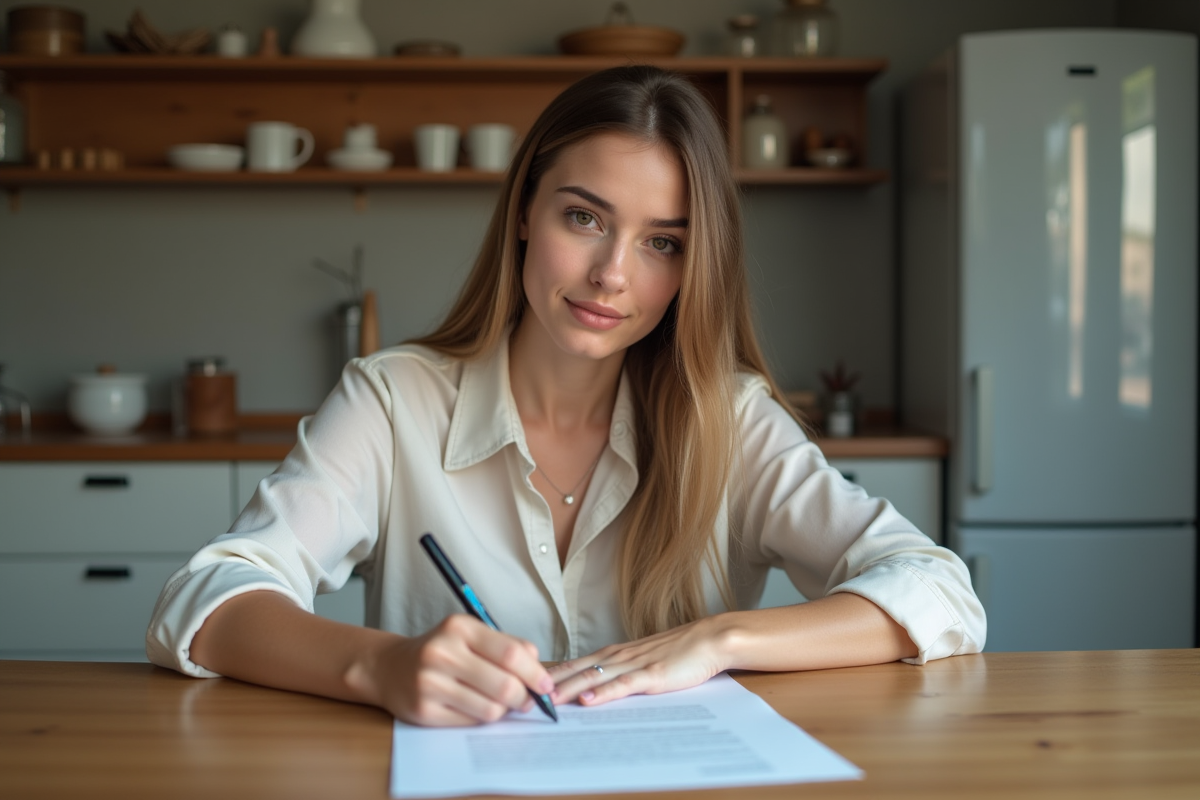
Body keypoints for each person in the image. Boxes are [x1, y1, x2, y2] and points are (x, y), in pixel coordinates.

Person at [147, 65, 985, 727]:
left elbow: (937, 589)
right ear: (524, 212)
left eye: (662, 243)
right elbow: (203, 599)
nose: (612, 274)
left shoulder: (728, 419)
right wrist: (380, 665)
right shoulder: (393, 401)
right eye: (584, 218)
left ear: (694, 267)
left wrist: (718, 640)